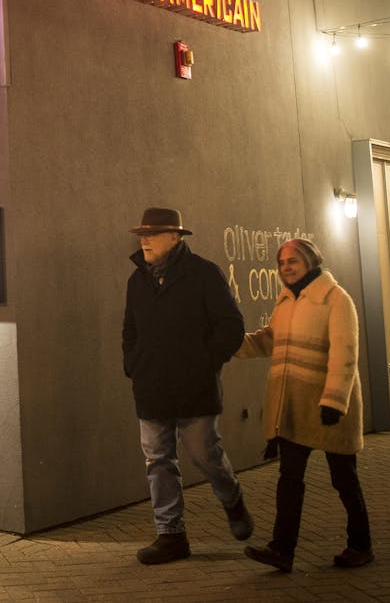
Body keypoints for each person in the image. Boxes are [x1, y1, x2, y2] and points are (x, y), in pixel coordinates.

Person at [122, 206, 252, 565]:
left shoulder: (204, 274)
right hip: (150, 387)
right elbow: (130, 329)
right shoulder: (138, 280)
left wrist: (204, 363)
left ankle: (232, 499)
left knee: (203, 454)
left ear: (174, 238)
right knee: (158, 460)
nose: (143, 240)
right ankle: (171, 535)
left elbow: (231, 327)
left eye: (152, 234)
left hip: (194, 388)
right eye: (142, 234)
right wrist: (132, 364)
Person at [241, 237, 373, 572]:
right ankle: (281, 550)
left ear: (310, 262)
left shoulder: (335, 299)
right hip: (294, 409)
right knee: (289, 480)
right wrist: (229, 344)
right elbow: (268, 340)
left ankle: (361, 545)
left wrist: (333, 400)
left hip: (330, 410)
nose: (286, 268)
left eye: (292, 262)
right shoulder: (286, 301)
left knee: (344, 480)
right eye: (282, 263)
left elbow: (346, 354)